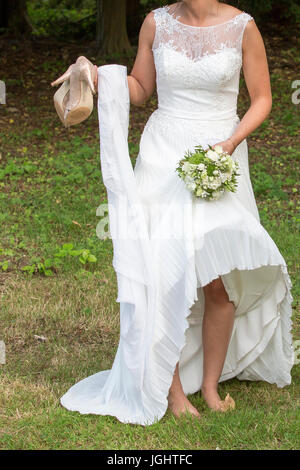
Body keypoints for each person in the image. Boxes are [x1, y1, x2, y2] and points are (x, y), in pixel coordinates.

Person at [51, 1, 294, 425]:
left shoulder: (243, 27)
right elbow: (141, 88)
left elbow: (263, 98)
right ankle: (174, 390)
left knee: (216, 283)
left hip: (218, 152)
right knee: (163, 271)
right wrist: (97, 76)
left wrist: (231, 144)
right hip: (163, 153)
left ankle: (213, 387)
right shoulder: (155, 22)